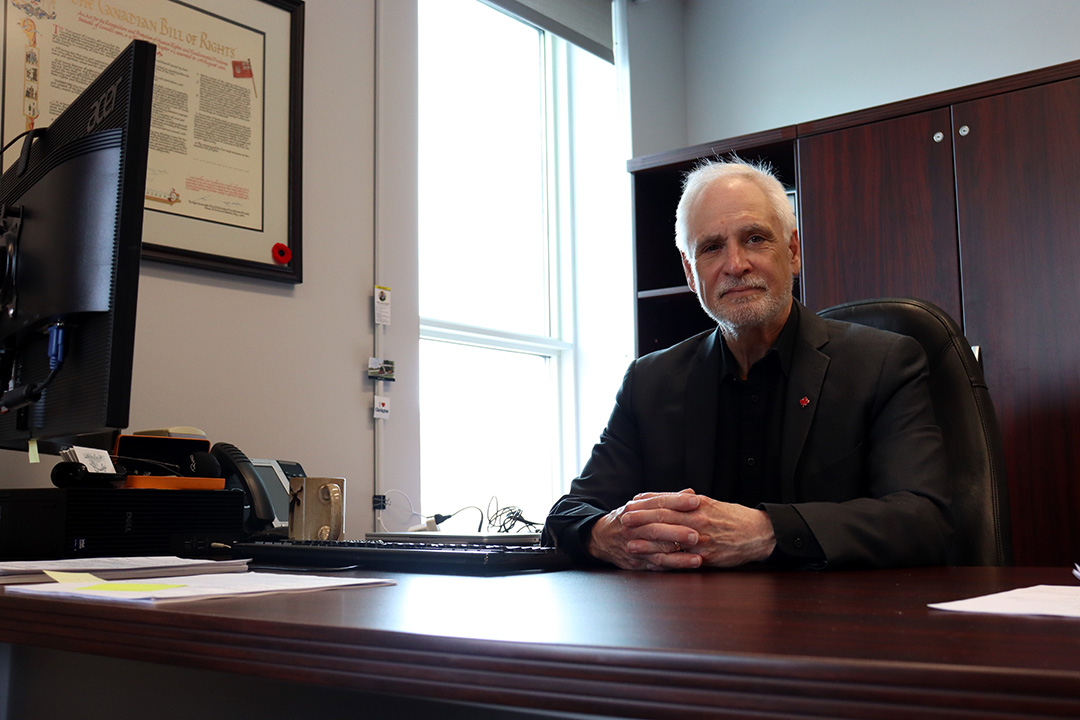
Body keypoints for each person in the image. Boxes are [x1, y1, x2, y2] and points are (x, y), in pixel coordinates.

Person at [543, 159, 952, 570]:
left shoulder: (884, 363)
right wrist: (607, 535)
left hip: (835, 624)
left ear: (792, 252)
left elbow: (925, 521)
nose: (735, 264)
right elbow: (569, 515)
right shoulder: (649, 382)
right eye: (711, 247)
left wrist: (767, 530)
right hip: (690, 626)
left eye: (755, 238)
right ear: (690, 271)